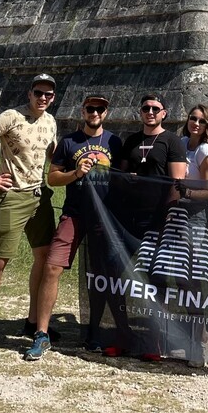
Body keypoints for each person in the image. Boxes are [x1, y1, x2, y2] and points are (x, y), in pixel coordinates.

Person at [0, 73, 59, 357]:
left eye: (48, 94)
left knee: (44, 258)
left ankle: (33, 322)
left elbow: (53, 155)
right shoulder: (11, 117)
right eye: (38, 92)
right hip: (12, 196)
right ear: (29, 94)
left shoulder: (51, 121)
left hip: (39, 197)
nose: (43, 98)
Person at [24, 94, 121, 361]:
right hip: (75, 213)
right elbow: (53, 178)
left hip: (103, 217)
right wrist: (76, 172)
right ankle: (41, 333)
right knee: (53, 267)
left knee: (103, 274)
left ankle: (97, 330)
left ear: (106, 112)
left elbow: (125, 177)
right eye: (91, 108)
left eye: (100, 108)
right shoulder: (68, 143)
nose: (95, 112)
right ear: (83, 111)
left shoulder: (114, 142)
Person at [111, 93, 187, 358]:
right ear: (140, 112)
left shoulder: (172, 141)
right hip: (129, 217)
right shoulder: (132, 140)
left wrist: (167, 217)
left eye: (155, 108)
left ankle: (154, 341)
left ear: (164, 113)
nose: (150, 112)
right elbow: (119, 175)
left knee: (156, 281)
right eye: (146, 108)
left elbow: (177, 183)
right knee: (115, 274)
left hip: (157, 219)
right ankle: (124, 335)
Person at [178, 103, 208, 366]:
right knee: (179, 276)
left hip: (195, 217)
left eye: (201, 121)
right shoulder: (181, 143)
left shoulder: (205, 151)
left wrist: (185, 193)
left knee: (193, 280)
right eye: (193, 118)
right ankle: (187, 338)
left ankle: (202, 339)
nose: (196, 123)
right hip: (176, 216)